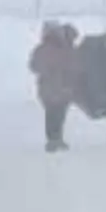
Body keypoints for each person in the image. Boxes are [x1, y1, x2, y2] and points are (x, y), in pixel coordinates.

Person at [28, 21, 79, 152]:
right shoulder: (65, 48)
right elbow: (74, 65)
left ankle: (54, 139)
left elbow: (33, 66)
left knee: (53, 114)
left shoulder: (42, 49)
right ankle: (55, 139)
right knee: (58, 114)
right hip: (62, 87)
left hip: (50, 88)